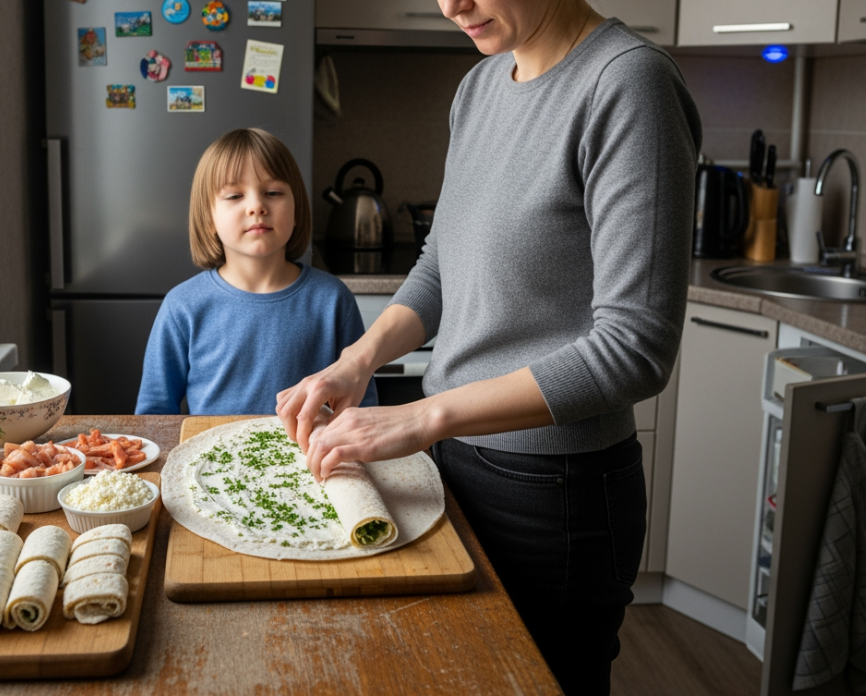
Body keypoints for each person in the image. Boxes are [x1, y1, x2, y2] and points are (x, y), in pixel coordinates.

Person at [275, 2, 701, 693]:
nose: (453, 4)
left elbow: (636, 348)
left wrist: (422, 415)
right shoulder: (478, 88)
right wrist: (357, 361)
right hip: (455, 468)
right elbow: (441, 267)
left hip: (555, 499)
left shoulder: (629, 85)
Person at [136, 128, 378, 415]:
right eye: (235, 195)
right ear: (208, 217)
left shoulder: (333, 300)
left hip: (307, 459)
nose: (257, 206)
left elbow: (361, 406)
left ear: (297, 209)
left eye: (273, 193)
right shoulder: (182, 306)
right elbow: (154, 413)